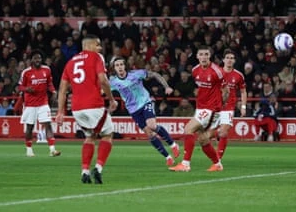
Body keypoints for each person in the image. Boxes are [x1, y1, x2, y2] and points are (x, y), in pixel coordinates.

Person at [56, 34, 118, 184]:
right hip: (94, 105)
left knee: (89, 137)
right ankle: (98, 168)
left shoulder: (70, 62)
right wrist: (111, 99)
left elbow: (62, 89)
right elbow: (103, 80)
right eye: (97, 45)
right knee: (107, 135)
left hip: (77, 108)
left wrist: (60, 112)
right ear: (89, 46)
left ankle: (84, 171)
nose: (100, 48)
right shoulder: (96, 57)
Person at [109, 57, 179, 166]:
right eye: (117, 65)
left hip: (146, 102)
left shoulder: (136, 74)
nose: (120, 67)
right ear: (114, 68)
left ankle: (173, 144)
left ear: (125, 66)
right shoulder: (113, 81)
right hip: (133, 110)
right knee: (149, 134)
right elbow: (102, 89)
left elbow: (155, 74)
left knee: (152, 125)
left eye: (121, 64)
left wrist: (166, 86)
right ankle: (168, 157)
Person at [169, 45, 229, 172]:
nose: (204, 57)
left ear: (209, 56)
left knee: (188, 129)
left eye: (206, 54)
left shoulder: (217, 71)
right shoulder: (195, 70)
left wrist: (218, 106)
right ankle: (217, 164)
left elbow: (226, 91)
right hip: (201, 108)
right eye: (201, 54)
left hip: (211, 109)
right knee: (202, 139)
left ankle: (185, 164)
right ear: (197, 56)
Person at [18, 50, 61, 157]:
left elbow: (49, 83)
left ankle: (52, 150)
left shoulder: (46, 70)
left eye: (39, 58)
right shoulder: (26, 72)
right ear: (31, 60)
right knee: (29, 127)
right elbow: (20, 86)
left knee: (48, 125)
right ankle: (29, 150)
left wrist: (53, 91)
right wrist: (27, 89)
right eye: (35, 58)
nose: (38, 60)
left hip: (43, 102)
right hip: (30, 104)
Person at [208, 49, 247, 160]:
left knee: (224, 132)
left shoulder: (238, 75)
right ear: (224, 60)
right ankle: (217, 136)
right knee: (210, 134)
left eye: (232, 58)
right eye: (228, 58)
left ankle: (218, 160)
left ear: (234, 61)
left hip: (229, 107)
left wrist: (243, 107)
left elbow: (243, 91)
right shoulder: (217, 73)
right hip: (215, 107)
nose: (229, 60)